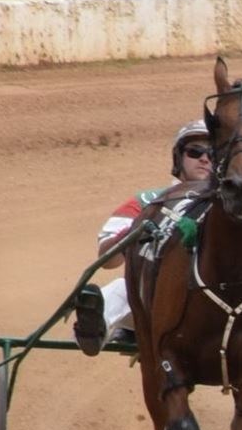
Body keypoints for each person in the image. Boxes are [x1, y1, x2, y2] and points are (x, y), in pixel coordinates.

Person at [73, 119, 214, 355]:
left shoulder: (234, 206)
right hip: (154, 302)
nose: (205, 158)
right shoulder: (148, 201)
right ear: (179, 158)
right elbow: (108, 260)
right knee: (122, 287)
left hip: (215, 306)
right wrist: (137, 229)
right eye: (195, 151)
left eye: (214, 153)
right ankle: (92, 331)